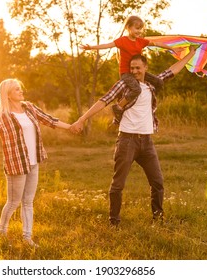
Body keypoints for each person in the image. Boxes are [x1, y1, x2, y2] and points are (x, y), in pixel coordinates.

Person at [71, 46, 197, 227]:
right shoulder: (125, 84)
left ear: (145, 67)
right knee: (118, 184)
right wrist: (82, 119)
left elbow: (172, 71)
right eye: (132, 68)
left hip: (146, 141)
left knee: (158, 182)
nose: (135, 71)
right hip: (127, 140)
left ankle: (158, 219)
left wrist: (191, 54)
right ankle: (113, 222)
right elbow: (104, 100)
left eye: (138, 68)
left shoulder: (151, 84)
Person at [0, 78, 71, 248]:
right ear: (8, 95)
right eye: (16, 90)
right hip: (17, 164)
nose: (21, 92)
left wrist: (71, 127)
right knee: (14, 202)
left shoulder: (29, 108)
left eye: (20, 89)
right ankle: (1, 230)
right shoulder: (3, 117)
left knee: (28, 201)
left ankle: (27, 237)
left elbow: (49, 120)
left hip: (33, 162)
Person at [81, 15, 181, 124]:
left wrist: (172, 48)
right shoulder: (122, 41)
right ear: (128, 27)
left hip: (138, 72)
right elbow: (107, 45)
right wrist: (91, 47)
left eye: (141, 28)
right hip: (127, 74)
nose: (139, 31)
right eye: (137, 28)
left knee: (159, 82)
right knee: (136, 89)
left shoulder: (141, 41)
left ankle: (145, 103)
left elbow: (157, 43)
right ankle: (119, 106)